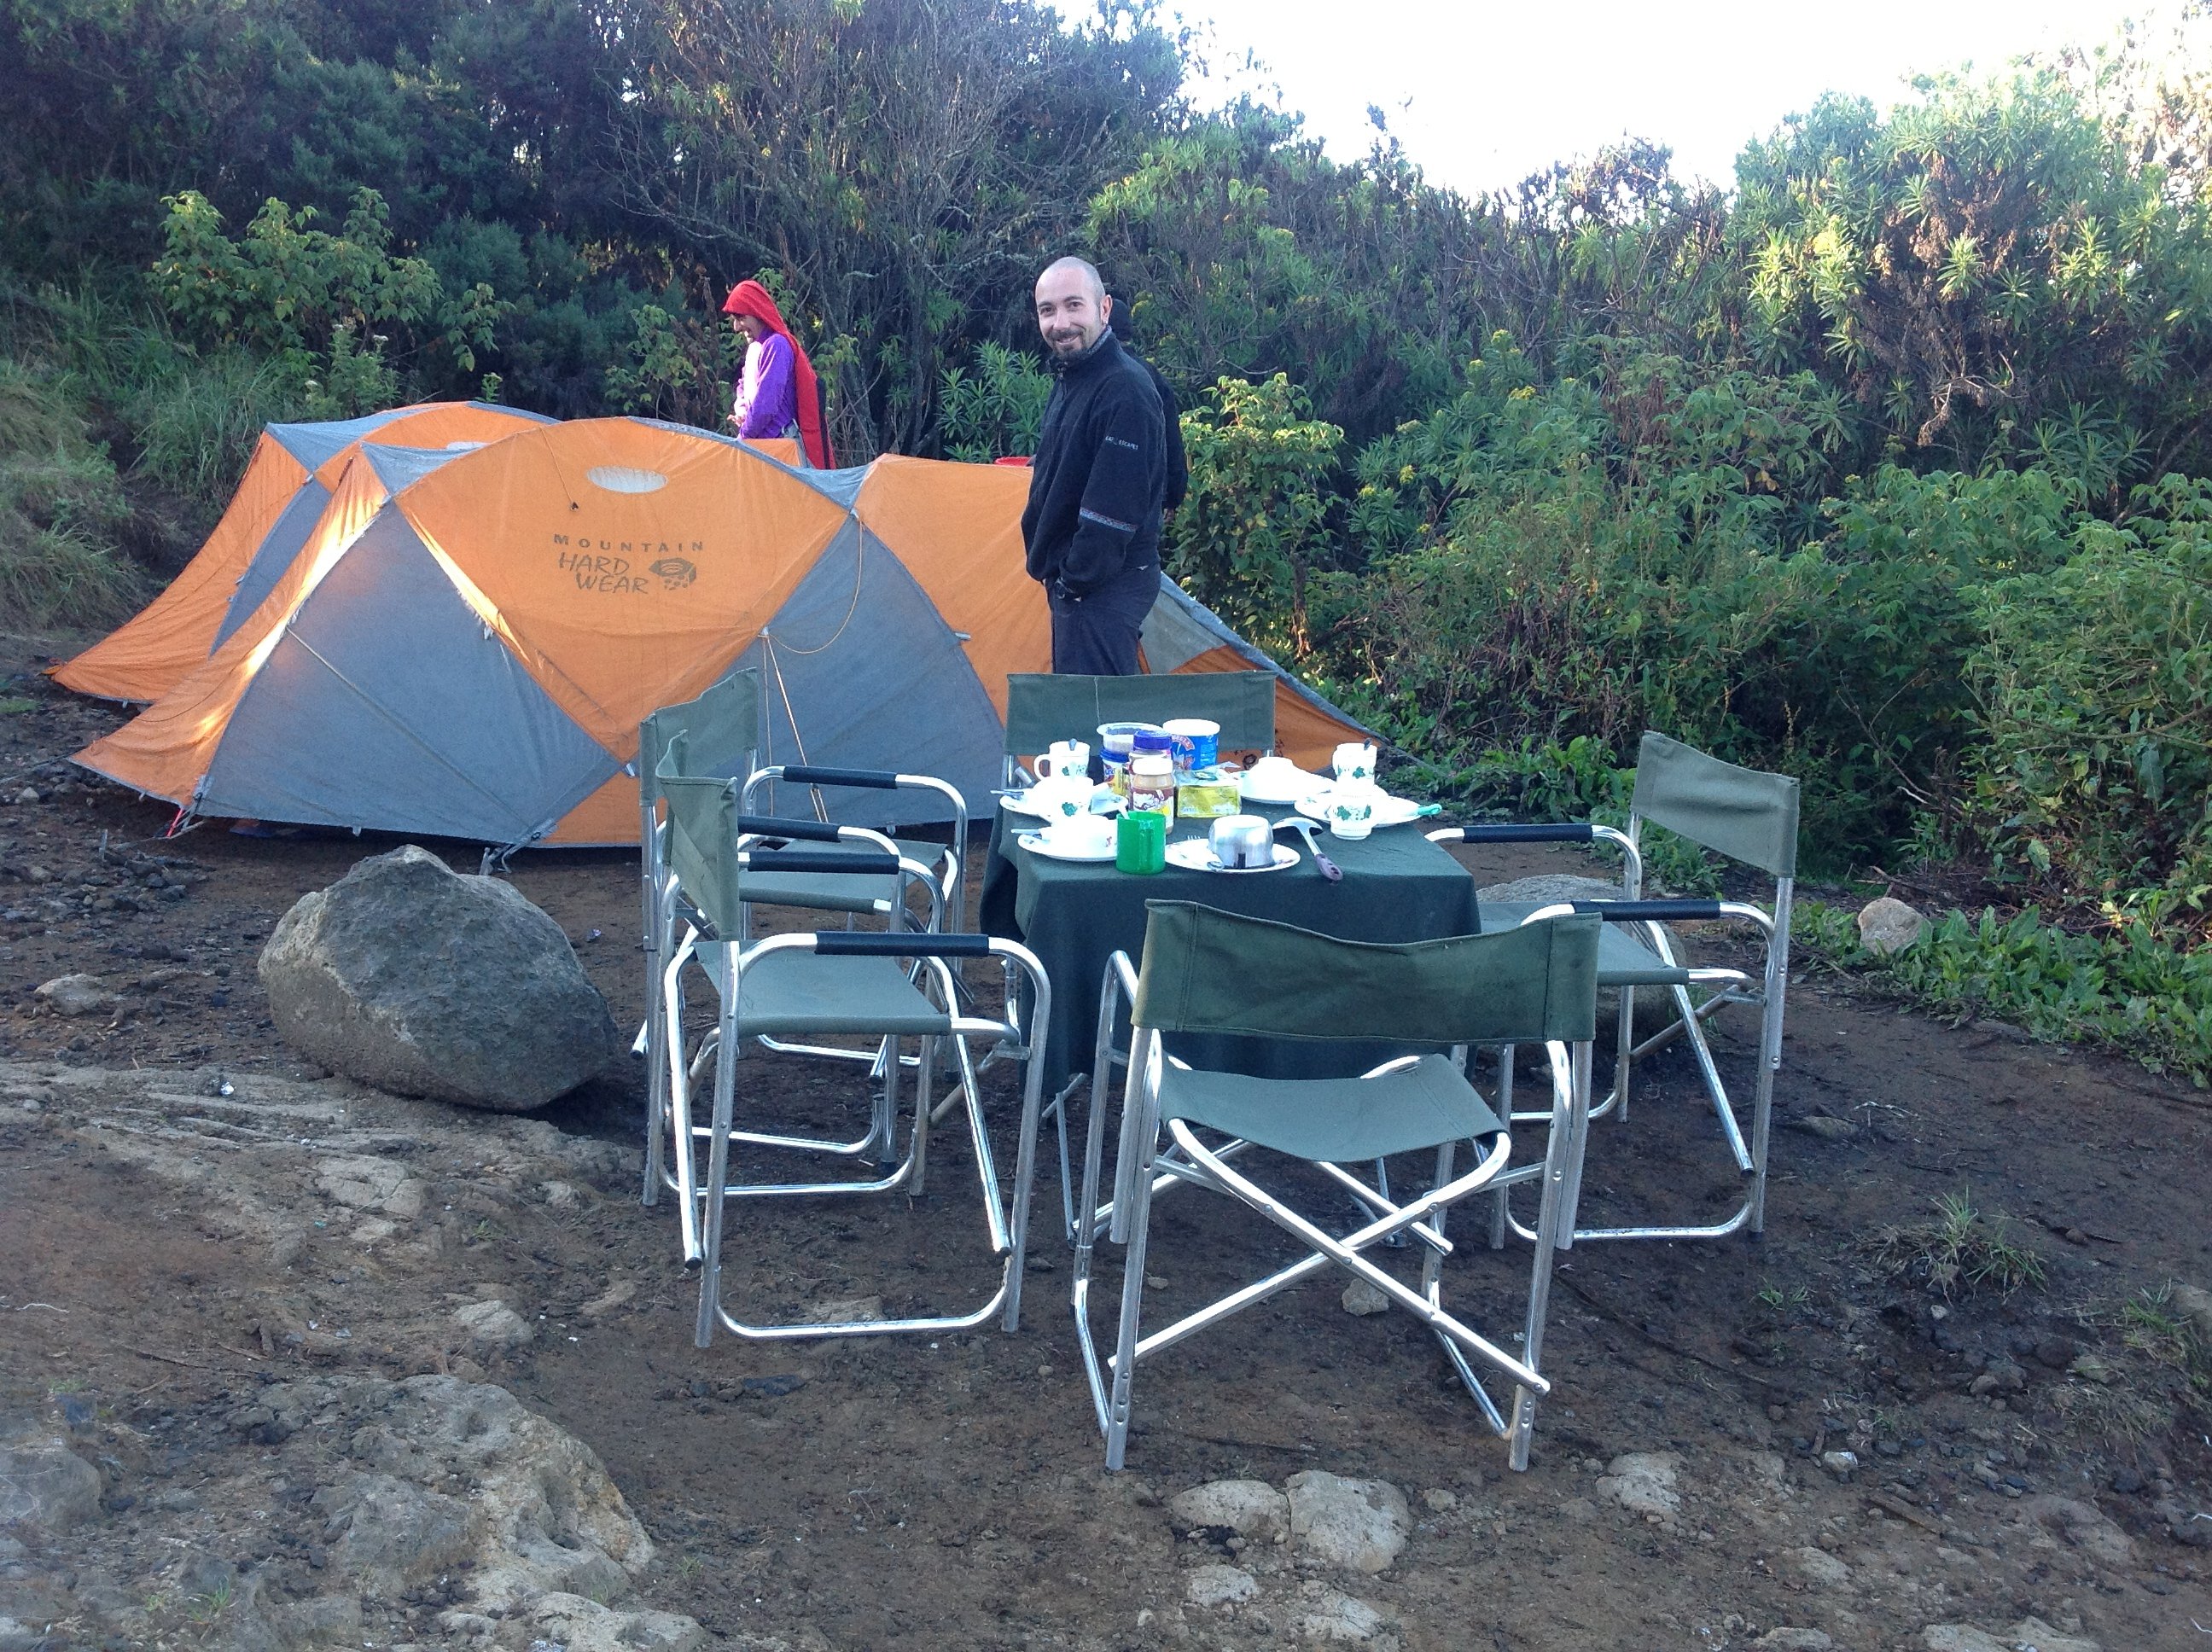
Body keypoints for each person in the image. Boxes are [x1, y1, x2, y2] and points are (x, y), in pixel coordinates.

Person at [1021, 256, 1167, 675]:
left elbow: (1113, 511)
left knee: (1097, 728)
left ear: (1103, 309)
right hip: (1082, 587)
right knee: (1088, 723)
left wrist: (1073, 583)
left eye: (1073, 305)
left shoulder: (1124, 390)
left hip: (1102, 587)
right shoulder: (1074, 376)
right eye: (1047, 310)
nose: (1060, 322)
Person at [720, 279, 834, 468]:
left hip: (782, 453)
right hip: (765, 450)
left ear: (757, 312)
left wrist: (741, 439)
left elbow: (766, 407)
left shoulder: (777, 345)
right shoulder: (756, 347)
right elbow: (743, 384)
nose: (737, 327)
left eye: (740, 318)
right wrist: (741, 410)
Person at [1110, 306, 1188, 516]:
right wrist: (1173, 496)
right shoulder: (1151, 374)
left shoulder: (1095, 376)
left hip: (1104, 501)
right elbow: (1171, 436)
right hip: (1150, 495)